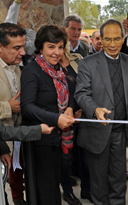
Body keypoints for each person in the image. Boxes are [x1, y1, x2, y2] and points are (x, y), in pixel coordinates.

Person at [74, 19, 128, 205]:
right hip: (97, 132)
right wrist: (94, 109)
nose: (112, 44)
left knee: (119, 182)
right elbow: (81, 93)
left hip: (120, 132)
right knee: (99, 185)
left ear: (124, 38)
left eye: (117, 39)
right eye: (107, 39)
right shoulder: (87, 64)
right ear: (100, 39)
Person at [20, 25, 75, 205]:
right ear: (40, 47)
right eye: (51, 46)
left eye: (60, 47)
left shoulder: (58, 70)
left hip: (57, 139)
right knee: (46, 192)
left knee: (53, 185)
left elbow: (68, 97)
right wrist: (56, 118)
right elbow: (27, 107)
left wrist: (69, 109)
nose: (57, 52)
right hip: (40, 141)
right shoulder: (32, 71)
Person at [0, 22, 27, 205]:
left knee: (17, 173)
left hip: (17, 136)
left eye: (23, 47)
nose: (23, 52)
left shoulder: (16, 64)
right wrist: (7, 107)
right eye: (17, 48)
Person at [59, 46, 93, 204]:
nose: (58, 49)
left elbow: (87, 85)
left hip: (82, 115)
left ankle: (87, 189)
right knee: (66, 158)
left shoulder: (77, 58)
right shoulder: (47, 65)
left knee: (85, 156)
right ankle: (67, 191)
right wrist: (68, 112)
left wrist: (82, 108)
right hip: (63, 118)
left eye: (60, 44)